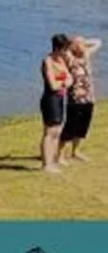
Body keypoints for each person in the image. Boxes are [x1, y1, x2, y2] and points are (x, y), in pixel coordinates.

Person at [64, 36, 101, 164]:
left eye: (83, 43)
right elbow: (64, 49)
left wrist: (83, 42)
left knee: (83, 126)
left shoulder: (86, 55)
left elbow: (98, 42)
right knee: (71, 125)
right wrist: (72, 44)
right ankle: (59, 153)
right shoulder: (70, 57)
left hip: (88, 97)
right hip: (75, 97)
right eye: (79, 43)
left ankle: (75, 151)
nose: (82, 46)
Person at [41, 33, 74, 173]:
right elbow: (53, 85)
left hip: (60, 98)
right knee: (50, 131)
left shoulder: (61, 60)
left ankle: (53, 160)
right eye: (64, 49)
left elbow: (70, 78)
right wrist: (64, 82)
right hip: (50, 99)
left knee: (58, 130)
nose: (66, 52)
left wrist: (64, 82)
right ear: (57, 48)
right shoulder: (48, 61)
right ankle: (46, 164)